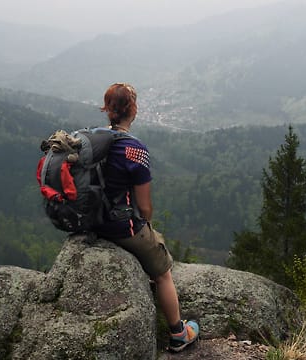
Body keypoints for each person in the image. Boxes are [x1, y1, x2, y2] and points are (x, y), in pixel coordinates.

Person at [93, 82, 200, 352]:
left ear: (107, 109)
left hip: (92, 223)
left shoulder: (92, 139)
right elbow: (145, 206)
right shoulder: (134, 149)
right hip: (121, 227)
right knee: (163, 271)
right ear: (134, 110)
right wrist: (147, 224)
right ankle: (178, 333)